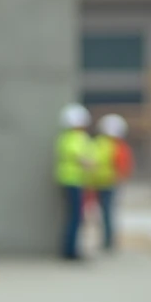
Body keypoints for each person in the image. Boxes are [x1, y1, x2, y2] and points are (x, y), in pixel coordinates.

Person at [55, 103, 93, 260]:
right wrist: (90, 164)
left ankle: (70, 249)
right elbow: (80, 157)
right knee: (76, 217)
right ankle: (70, 251)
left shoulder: (65, 137)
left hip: (69, 181)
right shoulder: (75, 138)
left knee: (74, 217)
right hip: (74, 181)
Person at [88, 113, 130, 252]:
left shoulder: (98, 143)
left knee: (103, 213)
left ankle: (107, 240)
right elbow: (123, 167)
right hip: (109, 183)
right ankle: (108, 240)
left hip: (100, 183)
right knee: (108, 213)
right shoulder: (118, 146)